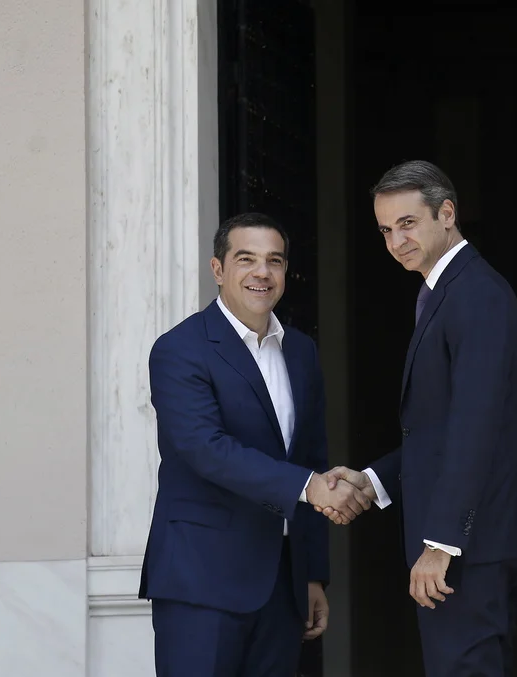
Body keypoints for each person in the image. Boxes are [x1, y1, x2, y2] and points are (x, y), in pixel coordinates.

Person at [322, 160, 517, 677]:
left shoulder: (476, 295)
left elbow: (477, 427)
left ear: (446, 213)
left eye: (408, 223)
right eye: (385, 229)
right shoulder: (443, 294)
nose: (396, 240)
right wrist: (374, 479)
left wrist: (442, 542)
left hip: (474, 542)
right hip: (473, 541)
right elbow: (439, 434)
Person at [139, 212, 371, 677]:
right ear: (218, 269)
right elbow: (204, 447)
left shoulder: (301, 351)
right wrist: (311, 486)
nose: (262, 273)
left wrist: (311, 573)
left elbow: (310, 456)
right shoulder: (180, 349)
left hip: (281, 587)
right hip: (201, 582)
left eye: (274, 261)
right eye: (246, 259)